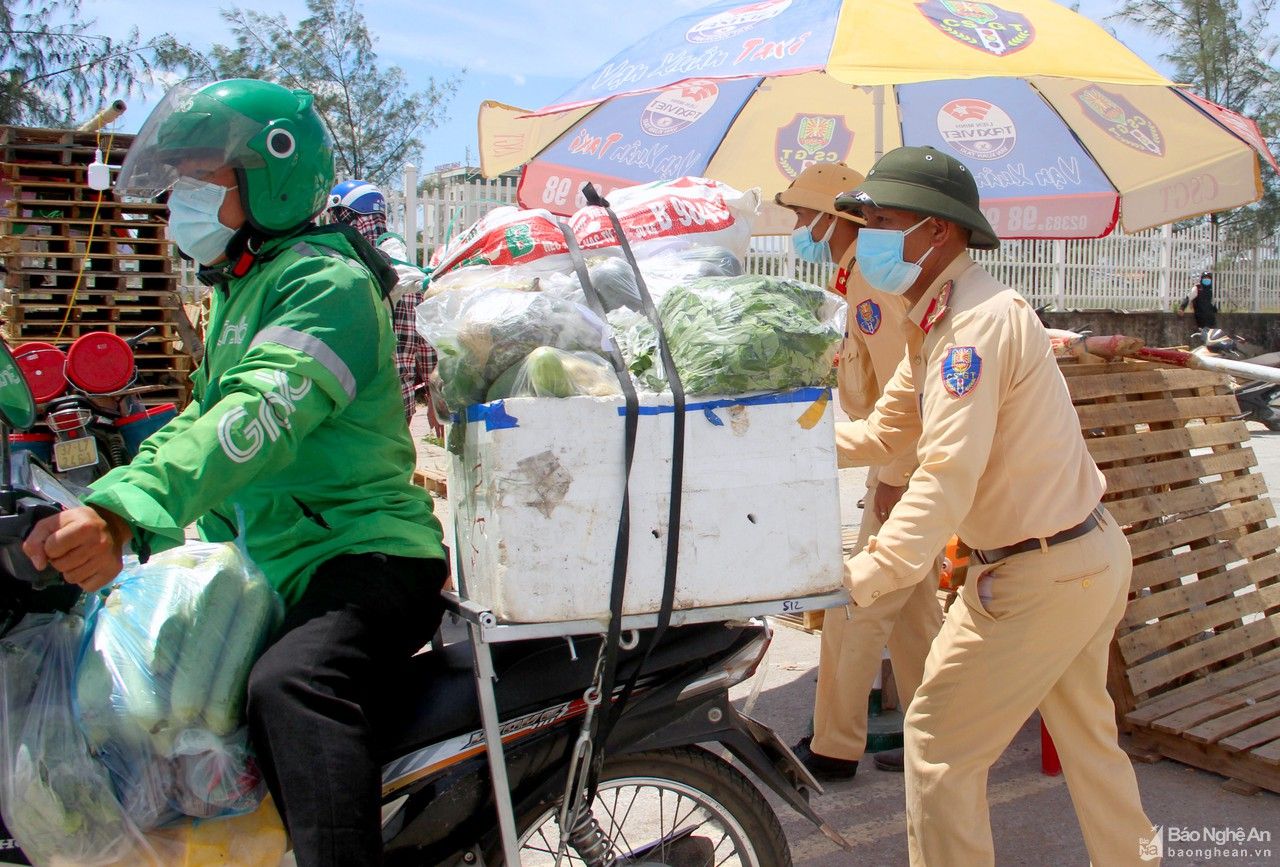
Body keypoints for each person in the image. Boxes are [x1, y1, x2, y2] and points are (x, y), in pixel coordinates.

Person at [21, 78, 448, 867]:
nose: (180, 195)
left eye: (201, 176)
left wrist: (124, 513)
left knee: (290, 688)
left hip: (365, 555)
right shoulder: (243, 288)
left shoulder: (329, 285)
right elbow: (196, 415)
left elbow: (251, 418)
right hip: (270, 563)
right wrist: (115, 496)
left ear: (271, 177)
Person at [831, 146, 1156, 865]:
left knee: (940, 743)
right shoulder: (939, 316)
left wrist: (865, 573)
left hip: (1035, 575)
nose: (867, 238)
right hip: (1078, 560)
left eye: (884, 221)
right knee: (1090, 746)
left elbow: (945, 476)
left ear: (938, 232)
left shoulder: (971, 328)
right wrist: (785, 441)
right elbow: (888, 430)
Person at [776, 162, 943, 780]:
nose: (795, 228)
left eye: (800, 216)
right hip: (897, 463)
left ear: (832, 219)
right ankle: (940, 732)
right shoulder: (854, 284)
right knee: (916, 617)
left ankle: (834, 747)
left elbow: (913, 393)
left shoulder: (872, 286)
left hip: (906, 466)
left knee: (856, 602)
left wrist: (896, 479)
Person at [327, 179, 439, 427]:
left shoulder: (349, 264)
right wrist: (433, 397)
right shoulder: (406, 266)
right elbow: (426, 341)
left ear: (348, 217)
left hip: (360, 402)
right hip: (401, 401)